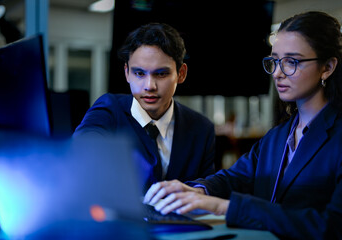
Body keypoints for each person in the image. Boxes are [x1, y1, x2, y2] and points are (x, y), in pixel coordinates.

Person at [143, 11, 342, 239]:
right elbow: (236, 178)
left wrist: (222, 207)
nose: (277, 73)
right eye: (274, 61)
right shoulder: (278, 136)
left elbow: (332, 227)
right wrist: (196, 190)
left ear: (327, 67)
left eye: (291, 62)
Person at [74, 23, 216, 192]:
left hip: (179, 218)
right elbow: (80, 148)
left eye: (161, 74)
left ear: (181, 74)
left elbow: (206, 192)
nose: (149, 86)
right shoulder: (109, 110)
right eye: (139, 73)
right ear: (127, 73)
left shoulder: (201, 129)